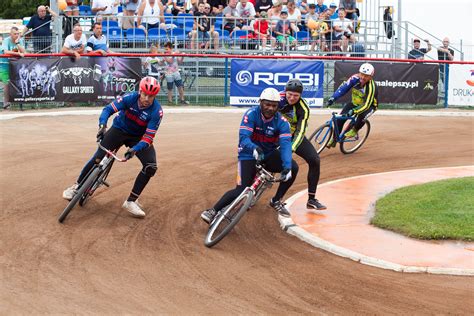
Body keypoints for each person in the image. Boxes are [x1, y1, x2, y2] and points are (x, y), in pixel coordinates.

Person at [62, 77, 163, 218]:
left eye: (151, 96)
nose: (146, 98)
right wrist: (102, 126)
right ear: (140, 91)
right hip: (119, 129)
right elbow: (108, 109)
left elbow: (148, 137)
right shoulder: (130, 98)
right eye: (144, 94)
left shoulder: (157, 111)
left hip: (138, 138)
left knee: (151, 166)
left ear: (155, 96)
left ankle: (131, 201)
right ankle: (76, 186)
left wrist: (135, 149)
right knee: (98, 157)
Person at [200, 88, 299, 223]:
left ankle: (276, 200)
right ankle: (213, 211)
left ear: (278, 106)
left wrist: (287, 167)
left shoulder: (282, 122)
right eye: (267, 104)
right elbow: (244, 137)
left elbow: (286, 145)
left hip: (268, 154)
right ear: (260, 103)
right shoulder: (251, 114)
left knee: (294, 167)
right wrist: (253, 148)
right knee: (241, 189)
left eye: (274, 105)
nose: (270, 108)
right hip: (248, 153)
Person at [279, 79, 326, 210]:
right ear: (285, 92)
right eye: (289, 94)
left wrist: (292, 147)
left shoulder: (303, 107)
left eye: (296, 95)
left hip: (293, 136)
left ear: (300, 96)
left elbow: (301, 131)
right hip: (275, 135)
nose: (292, 98)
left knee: (315, 160)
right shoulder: (277, 99)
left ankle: (311, 199)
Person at [326, 63, 378, 147]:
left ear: (371, 77)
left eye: (366, 76)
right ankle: (335, 139)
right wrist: (333, 98)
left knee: (362, 116)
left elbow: (367, 104)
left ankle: (355, 130)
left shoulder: (371, 87)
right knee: (340, 119)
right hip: (355, 103)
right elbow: (343, 88)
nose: (363, 77)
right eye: (362, 74)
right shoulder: (354, 78)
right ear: (359, 73)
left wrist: (354, 111)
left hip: (369, 106)